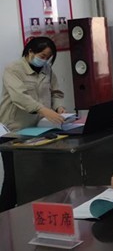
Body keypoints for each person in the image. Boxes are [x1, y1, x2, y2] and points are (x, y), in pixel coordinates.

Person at [0, 37, 65, 211]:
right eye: (42, 56)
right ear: (30, 52)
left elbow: (56, 92)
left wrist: (58, 107)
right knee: (14, 179)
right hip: (13, 131)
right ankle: (3, 215)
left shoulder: (47, 69)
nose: (44, 60)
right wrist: (43, 110)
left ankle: (32, 212)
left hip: (38, 130)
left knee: (37, 177)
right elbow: (19, 97)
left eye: (48, 57)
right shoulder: (13, 69)